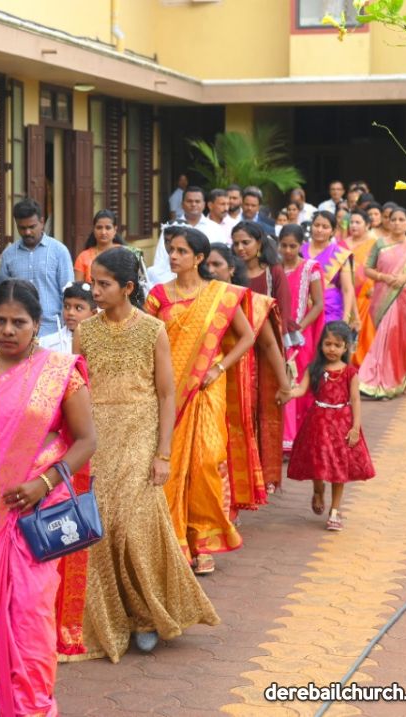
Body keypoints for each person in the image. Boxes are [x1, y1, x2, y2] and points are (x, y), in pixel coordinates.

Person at [0, 279, 96, 715]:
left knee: (31, 618)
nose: (8, 330)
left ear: (37, 324)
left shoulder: (60, 372)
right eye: (1, 321)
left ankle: (30, 708)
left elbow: (86, 440)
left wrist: (42, 484)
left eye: (19, 322)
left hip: (35, 516)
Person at [66, 247, 219, 663]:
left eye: (104, 284)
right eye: (93, 283)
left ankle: (147, 616)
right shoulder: (85, 332)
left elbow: (167, 394)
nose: (95, 291)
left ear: (127, 287)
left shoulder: (153, 330)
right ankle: (116, 617)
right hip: (98, 437)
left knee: (133, 526)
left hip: (140, 432)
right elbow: (78, 389)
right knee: (101, 527)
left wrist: (163, 453)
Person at [145, 227, 257, 575]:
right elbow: (146, 342)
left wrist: (219, 367)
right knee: (171, 463)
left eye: (181, 251)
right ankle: (175, 541)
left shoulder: (220, 294)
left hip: (208, 389)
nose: (173, 256)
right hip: (169, 393)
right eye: (171, 250)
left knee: (207, 461)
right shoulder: (158, 296)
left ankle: (204, 541)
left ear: (198, 258)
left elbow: (247, 336)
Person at [210, 246, 292, 503]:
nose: (211, 270)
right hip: (208, 382)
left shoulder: (252, 303)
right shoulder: (200, 300)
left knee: (235, 438)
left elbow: (268, 345)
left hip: (242, 382)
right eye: (207, 265)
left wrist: (284, 385)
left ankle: (233, 500)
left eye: (216, 264)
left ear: (232, 268)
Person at [288, 322, 375, 531]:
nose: (332, 349)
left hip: (342, 425)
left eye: (337, 345)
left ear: (346, 347)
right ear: (321, 345)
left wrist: (355, 428)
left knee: (339, 468)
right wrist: (287, 392)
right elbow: (300, 390)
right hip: (318, 424)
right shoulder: (314, 369)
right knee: (318, 463)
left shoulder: (350, 373)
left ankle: (335, 511)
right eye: (328, 344)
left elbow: (355, 400)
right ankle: (318, 489)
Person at [359, 206, 406, 399]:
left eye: (401, 220)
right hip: (384, 297)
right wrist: (383, 277)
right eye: (394, 220)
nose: (397, 223)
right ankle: (373, 382)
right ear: (388, 223)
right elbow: (368, 268)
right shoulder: (380, 244)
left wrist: (405, 278)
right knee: (384, 338)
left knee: (403, 342)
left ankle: (398, 379)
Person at [278, 225, 325, 452]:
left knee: (297, 383)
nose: (288, 250)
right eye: (284, 245)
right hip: (277, 335)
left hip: (299, 338)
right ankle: (282, 436)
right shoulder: (273, 268)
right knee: (281, 381)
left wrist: (300, 328)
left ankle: (295, 437)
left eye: (293, 246)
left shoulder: (310, 268)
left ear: (301, 245)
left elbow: (318, 304)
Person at [0, 198, 75, 336]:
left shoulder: (59, 251)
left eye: (32, 227)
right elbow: (4, 295)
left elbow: (68, 292)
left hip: (53, 329)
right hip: (18, 330)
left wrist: (67, 329)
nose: (27, 232)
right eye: (22, 228)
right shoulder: (8, 255)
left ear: (42, 222)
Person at [232, 221, 296, 349]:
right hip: (239, 340)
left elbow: (283, 309)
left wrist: (278, 342)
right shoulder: (232, 273)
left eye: (245, 242)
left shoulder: (273, 271)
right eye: (236, 244)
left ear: (259, 243)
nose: (240, 248)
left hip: (269, 340)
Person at [147, 186, 226, 286]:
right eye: (189, 201)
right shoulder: (170, 228)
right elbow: (160, 259)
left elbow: (222, 259)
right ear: (182, 204)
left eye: (197, 201)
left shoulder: (216, 229)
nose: (193, 204)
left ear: (204, 204)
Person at [303, 214, 358, 331]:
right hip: (302, 307)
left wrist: (345, 319)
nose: (319, 230)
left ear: (333, 231)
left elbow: (347, 289)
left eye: (325, 227)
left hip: (331, 308)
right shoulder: (300, 250)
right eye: (316, 225)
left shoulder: (339, 254)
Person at [343, 209, 378, 366]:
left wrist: (376, 287)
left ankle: (365, 367)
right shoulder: (341, 245)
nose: (354, 225)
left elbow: (381, 267)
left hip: (366, 296)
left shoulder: (375, 244)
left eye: (358, 222)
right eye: (352, 222)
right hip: (345, 297)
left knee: (366, 333)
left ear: (367, 225)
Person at [40, 281, 99, 354]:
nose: (70, 312)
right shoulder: (47, 343)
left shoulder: (101, 342)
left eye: (78, 308)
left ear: (94, 314)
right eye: (67, 306)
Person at [73, 209, 124, 283]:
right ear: (94, 229)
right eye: (99, 227)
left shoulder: (125, 254)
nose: (103, 232)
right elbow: (77, 287)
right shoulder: (83, 257)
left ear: (115, 230)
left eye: (108, 228)